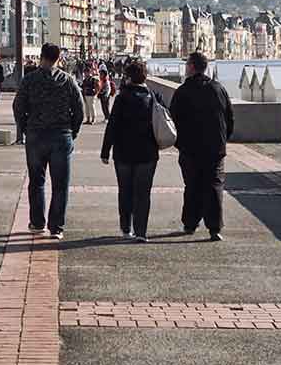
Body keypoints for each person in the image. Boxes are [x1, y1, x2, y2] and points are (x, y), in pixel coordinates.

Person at [12, 42, 85, 239]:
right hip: (61, 136)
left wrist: (25, 127)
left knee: (37, 181)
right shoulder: (67, 80)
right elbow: (79, 109)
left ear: (41, 56)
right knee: (60, 184)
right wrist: (73, 131)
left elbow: (18, 106)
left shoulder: (30, 80)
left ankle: (37, 223)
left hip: (36, 136)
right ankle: (56, 227)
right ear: (58, 58)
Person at [168, 50, 234, 240]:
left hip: (190, 148)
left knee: (192, 185)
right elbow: (229, 117)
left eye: (187, 64)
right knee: (214, 186)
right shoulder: (218, 89)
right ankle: (214, 227)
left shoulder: (182, 91)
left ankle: (190, 223)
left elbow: (173, 120)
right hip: (215, 148)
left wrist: (180, 144)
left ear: (191, 67)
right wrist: (223, 140)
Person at [100, 58, 161, 241]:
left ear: (128, 78)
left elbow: (112, 126)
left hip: (123, 153)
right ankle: (141, 231)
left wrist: (105, 151)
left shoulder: (121, 99)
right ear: (145, 77)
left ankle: (126, 227)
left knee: (125, 190)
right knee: (143, 192)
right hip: (147, 153)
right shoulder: (154, 97)